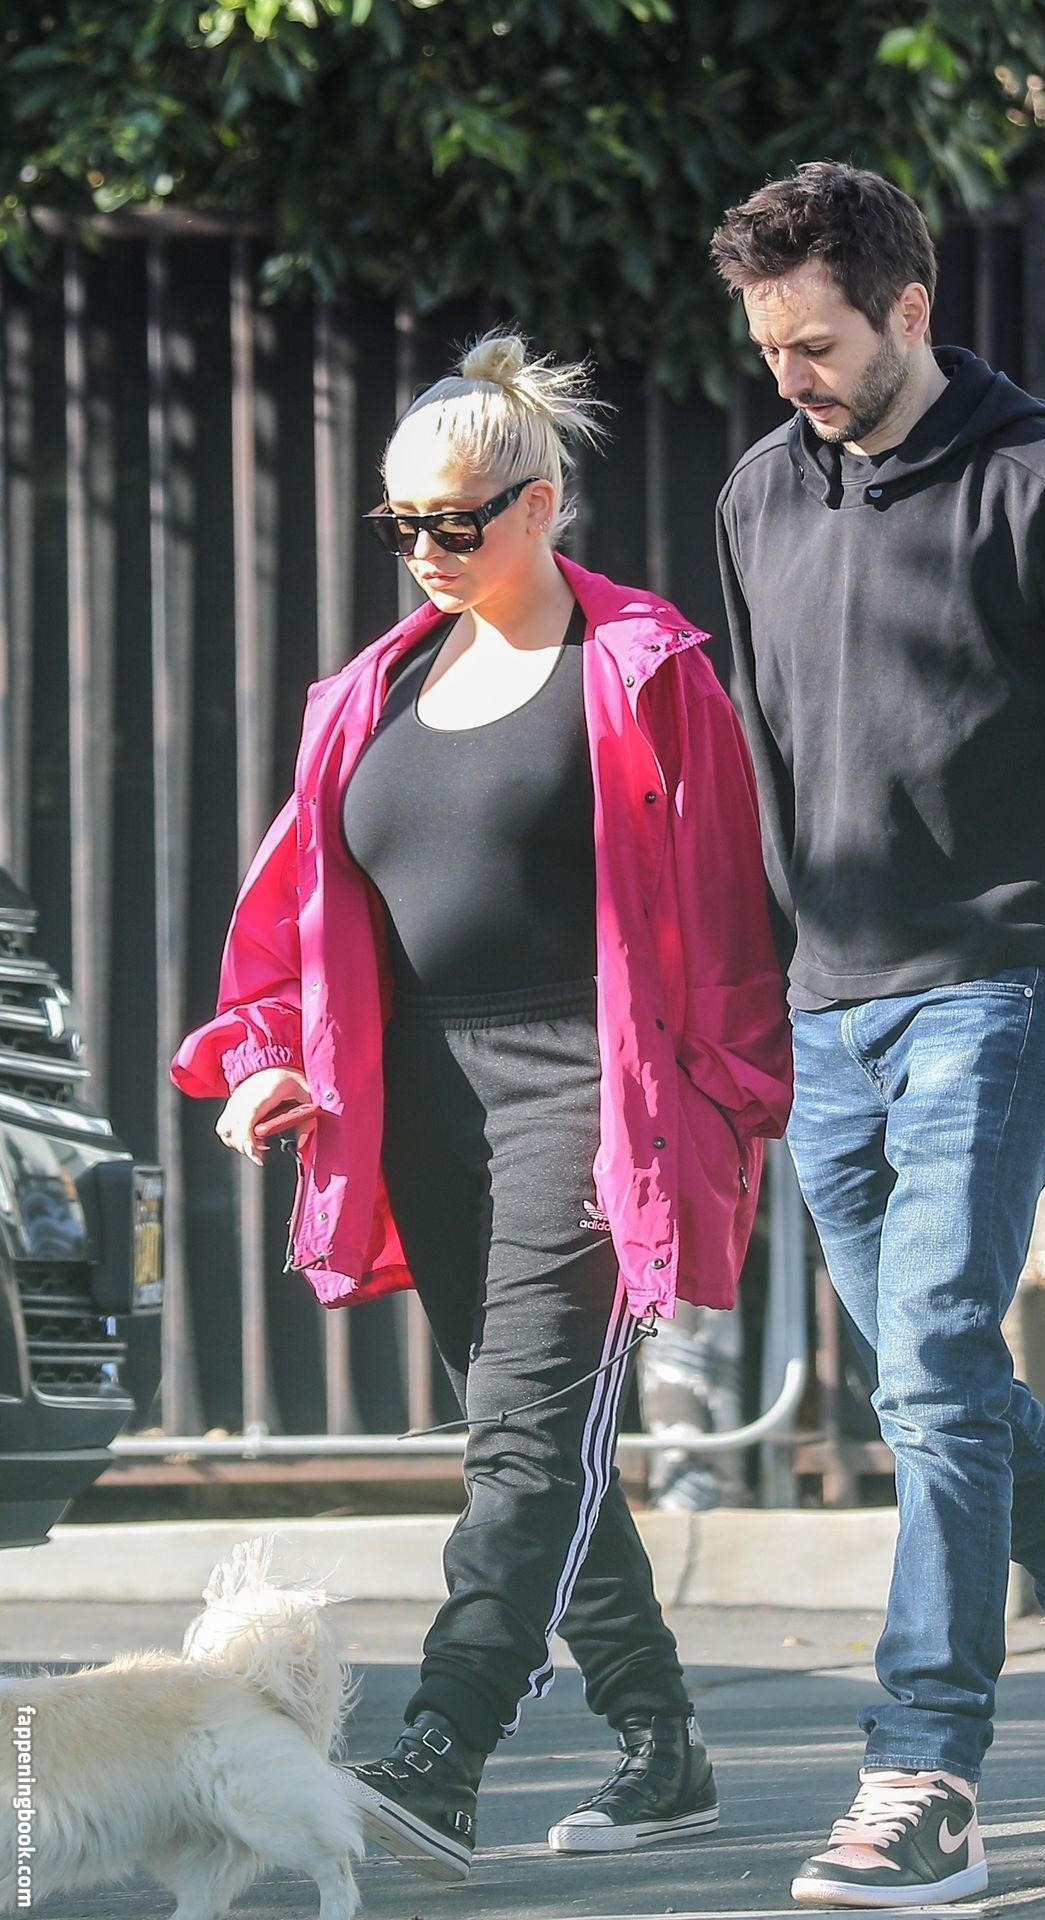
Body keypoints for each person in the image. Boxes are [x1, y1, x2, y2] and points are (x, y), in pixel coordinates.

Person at [171, 332, 791, 1885]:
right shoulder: (370, 692)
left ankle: (442, 1752)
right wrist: (264, 1054)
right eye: (404, 526)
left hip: (591, 1091)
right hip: (421, 1108)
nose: (429, 552)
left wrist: (730, 1110)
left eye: (457, 521)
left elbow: (729, 915)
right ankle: (663, 1739)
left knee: (521, 1442)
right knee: (535, 1438)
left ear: (542, 502)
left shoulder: (643, 672)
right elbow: (300, 909)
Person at [710, 163, 1045, 1909]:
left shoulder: (1044, 482)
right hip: (826, 1010)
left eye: (816, 342)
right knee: (930, 1377)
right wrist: (747, 1002)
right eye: (769, 347)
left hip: (999, 986)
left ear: (909, 311)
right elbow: (762, 767)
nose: (792, 374)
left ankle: (923, 1772)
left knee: (938, 1354)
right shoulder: (757, 496)